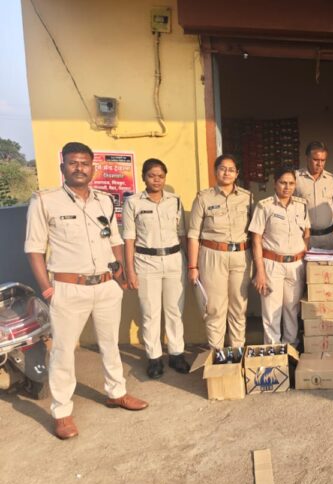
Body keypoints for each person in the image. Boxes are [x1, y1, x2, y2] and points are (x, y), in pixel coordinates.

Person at [25, 142, 148, 440]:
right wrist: (47, 289)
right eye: (73, 163)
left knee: (110, 343)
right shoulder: (45, 201)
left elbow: (114, 240)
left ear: (93, 168)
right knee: (64, 351)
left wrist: (121, 275)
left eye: (84, 163)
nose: (79, 168)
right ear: (63, 167)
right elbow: (34, 249)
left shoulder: (104, 201)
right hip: (68, 288)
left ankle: (116, 392)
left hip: (106, 285)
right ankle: (62, 412)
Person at [122, 158, 190, 379]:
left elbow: (182, 234)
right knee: (150, 313)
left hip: (174, 260)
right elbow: (129, 239)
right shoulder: (133, 202)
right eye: (152, 175)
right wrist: (130, 271)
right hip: (146, 262)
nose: (157, 180)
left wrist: (191, 264)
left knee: (175, 310)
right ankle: (154, 358)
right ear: (144, 177)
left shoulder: (175, 201)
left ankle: (176, 354)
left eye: (161, 176)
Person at [187, 154, 252, 355]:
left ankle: (237, 352)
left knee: (239, 307)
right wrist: (192, 266)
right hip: (212, 255)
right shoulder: (203, 198)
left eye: (231, 170)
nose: (227, 173)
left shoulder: (247, 197)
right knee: (215, 308)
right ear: (216, 171)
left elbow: (256, 231)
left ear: (237, 174)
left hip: (241, 256)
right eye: (223, 168)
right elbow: (193, 235)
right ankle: (218, 355)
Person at [249, 167, 310, 346]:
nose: (287, 187)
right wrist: (260, 271)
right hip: (272, 264)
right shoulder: (264, 206)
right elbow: (256, 239)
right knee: (271, 310)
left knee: (292, 308)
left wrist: (304, 256)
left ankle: (291, 347)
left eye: (291, 183)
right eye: (283, 183)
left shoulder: (302, 205)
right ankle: (273, 350)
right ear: (275, 184)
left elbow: (307, 233)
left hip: (296, 264)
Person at [294, 141, 333, 249]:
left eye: (323, 160)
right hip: (305, 237)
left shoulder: (332, 179)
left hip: (330, 237)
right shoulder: (295, 178)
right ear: (307, 158)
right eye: (315, 160)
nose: (319, 164)